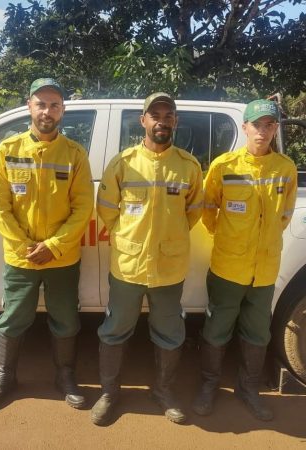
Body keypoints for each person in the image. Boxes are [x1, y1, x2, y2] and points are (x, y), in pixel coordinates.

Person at [0, 78, 94, 411]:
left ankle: (65, 377)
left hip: (62, 258)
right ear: (29, 105)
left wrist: (54, 245)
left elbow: (82, 207)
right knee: (13, 318)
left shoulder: (74, 154)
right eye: (41, 104)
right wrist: (25, 245)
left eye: (54, 105)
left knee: (66, 319)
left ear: (62, 111)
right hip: (20, 256)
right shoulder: (8, 150)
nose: (48, 111)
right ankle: (5, 377)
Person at [92, 92, 204, 425]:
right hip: (127, 265)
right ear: (143, 121)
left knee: (170, 332)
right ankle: (110, 393)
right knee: (114, 330)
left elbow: (193, 213)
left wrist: (168, 238)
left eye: (168, 115)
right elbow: (107, 211)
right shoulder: (123, 163)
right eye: (155, 115)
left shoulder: (188, 166)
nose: (162, 120)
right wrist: (129, 239)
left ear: (175, 122)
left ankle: (164, 391)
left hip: (169, 267)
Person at [192, 99, 298, 421]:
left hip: (264, 269)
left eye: (269, 125)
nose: (262, 132)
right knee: (217, 329)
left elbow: (285, 214)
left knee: (257, 333)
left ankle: (248, 388)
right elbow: (209, 212)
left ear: (276, 129)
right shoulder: (224, 166)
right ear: (245, 127)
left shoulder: (285, 169)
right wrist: (229, 239)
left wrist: (262, 243)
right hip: (228, 266)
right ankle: (209, 386)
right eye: (257, 125)